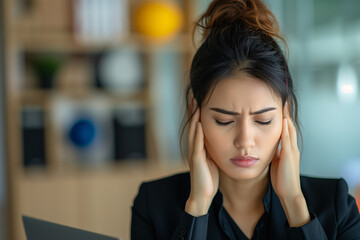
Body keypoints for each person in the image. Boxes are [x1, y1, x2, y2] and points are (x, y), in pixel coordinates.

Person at [131, 0, 360, 239]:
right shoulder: (153, 204)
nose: (245, 141)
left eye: (263, 120)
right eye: (224, 120)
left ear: (285, 114)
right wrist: (197, 207)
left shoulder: (337, 206)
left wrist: (294, 204)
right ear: (194, 111)